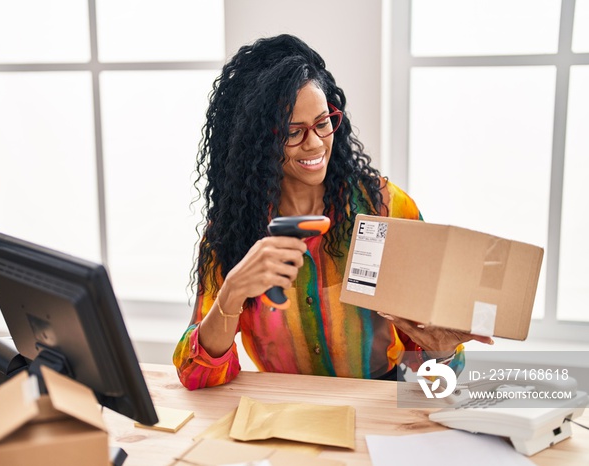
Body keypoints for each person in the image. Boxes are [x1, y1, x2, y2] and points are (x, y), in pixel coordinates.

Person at [173, 34, 492, 390]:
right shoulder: (234, 231)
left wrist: (444, 352)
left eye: (323, 123)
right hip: (284, 416)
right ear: (258, 141)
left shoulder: (387, 209)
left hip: (376, 412)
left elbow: (435, 380)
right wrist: (231, 293)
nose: (314, 143)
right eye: (293, 132)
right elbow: (196, 375)